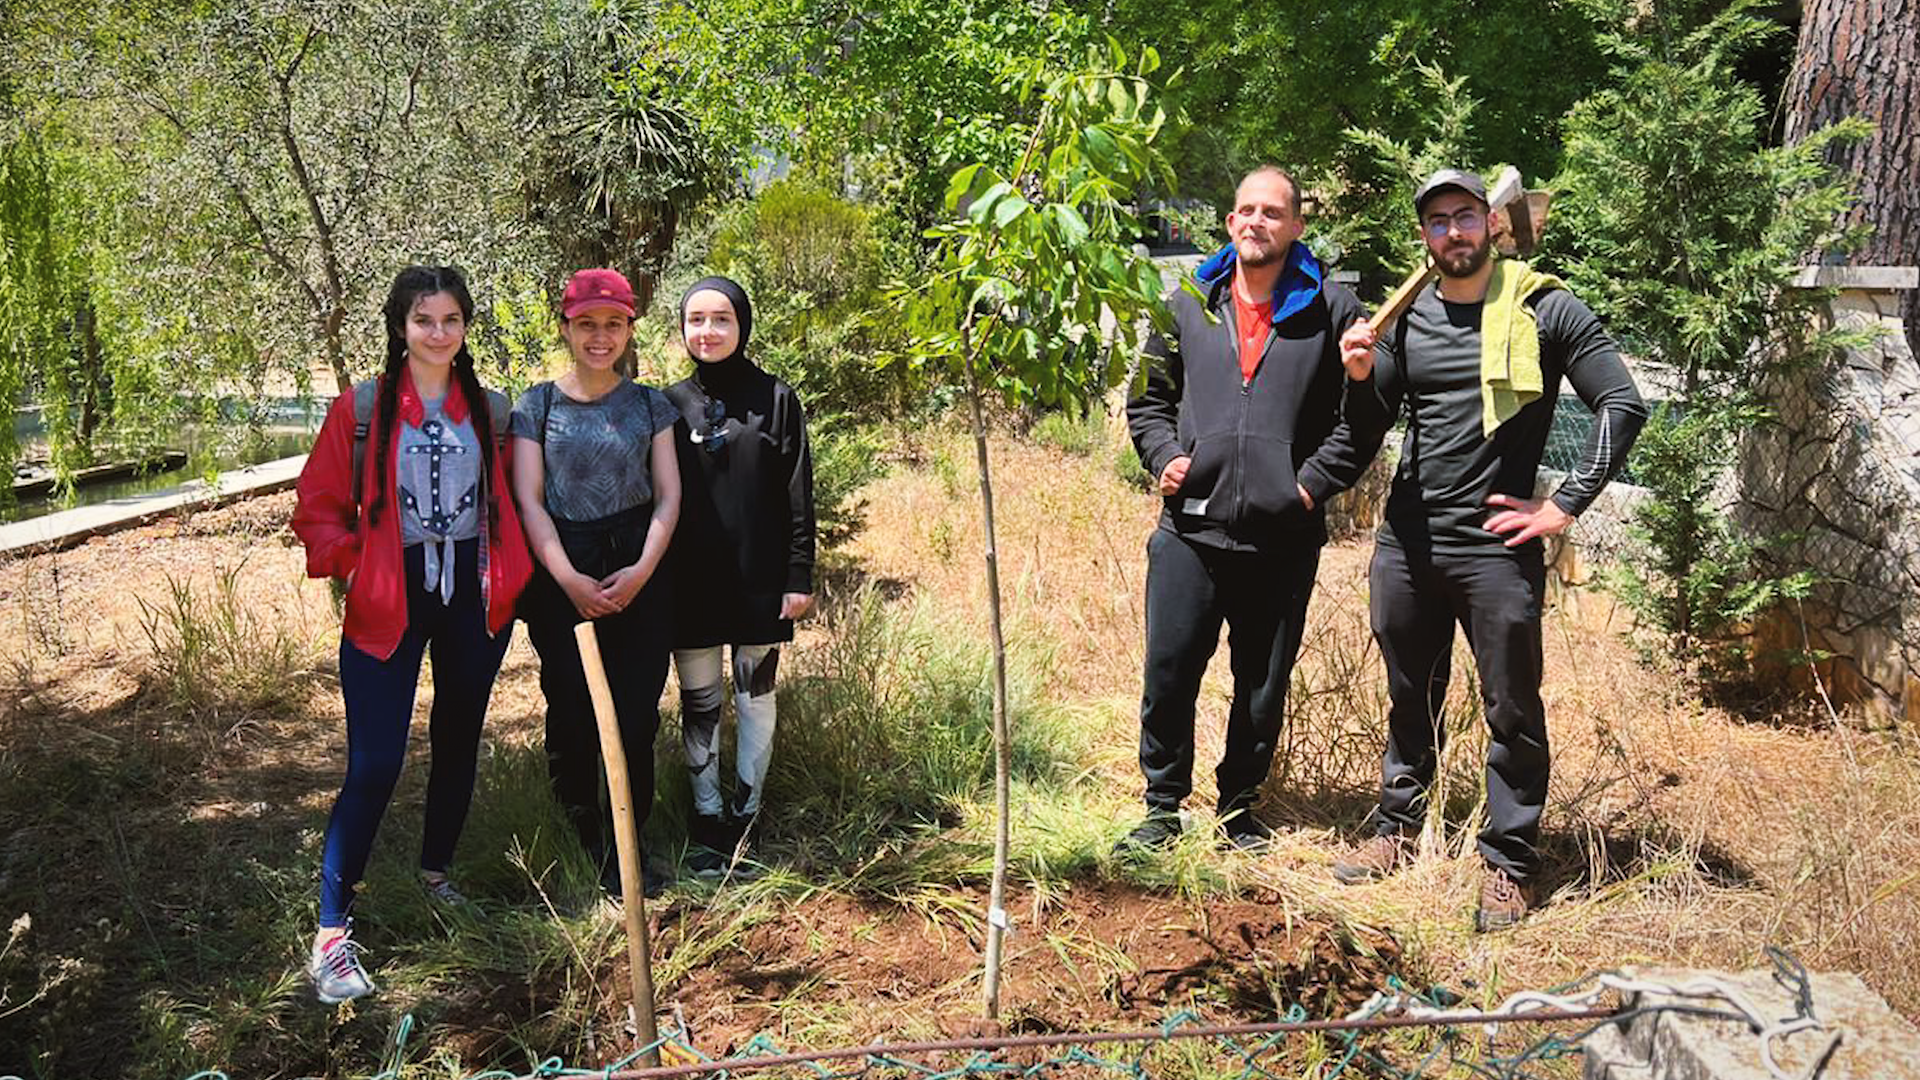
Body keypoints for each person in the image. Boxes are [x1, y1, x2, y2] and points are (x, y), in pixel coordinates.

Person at [1328, 169, 1649, 931]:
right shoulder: (1410, 313)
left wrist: (1564, 503)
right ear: (1424, 237)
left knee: (1511, 705)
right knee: (1410, 693)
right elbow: (1374, 420)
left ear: (1492, 224)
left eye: (1465, 217)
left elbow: (1622, 402)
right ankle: (1397, 829)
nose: (1452, 233)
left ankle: (1509, 861)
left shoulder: (1543, 308)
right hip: (1406, 541)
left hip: (1495, 549)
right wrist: (1361, 373)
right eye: (1437, 222)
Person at [291, 265, 533, 1004]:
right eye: (424, 320)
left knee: (460, 737)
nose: (438, 333)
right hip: (388, 596)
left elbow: (518, 503)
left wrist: (517, 579)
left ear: (466, 328)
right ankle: (332, 933)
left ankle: (436, 876)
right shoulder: (362, 409)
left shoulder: (491, 411)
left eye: (452, 320)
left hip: (473, 596)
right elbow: (317, 505)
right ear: (401, 326)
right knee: (375, 761)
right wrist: (356, 562)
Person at [1118, 166, 1375, 853]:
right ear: (1230, 223)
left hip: (1281, 535)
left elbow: (1367, 415)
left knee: (1261, 684)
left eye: (1272, 212)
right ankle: (1161, 809)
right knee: (1169, 672)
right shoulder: (1189, 302)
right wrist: (1163, 453)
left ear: (1295, 226)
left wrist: (1310, 484)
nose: (1256, 221)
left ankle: (1238, 811)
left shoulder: (1332, 309)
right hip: (1189, 530)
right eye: (1245, 211)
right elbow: (1146, 398)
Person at [510, 268, 681, 899]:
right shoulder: (536, 406)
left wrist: (640, 573)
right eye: (587, 325)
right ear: (566, 328)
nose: (600, 337)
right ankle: (580, 842)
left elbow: (668, 498)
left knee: (636, 716)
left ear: (630, 329)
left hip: (641, 570)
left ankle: (631, 847)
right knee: (574, 713)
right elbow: (530, 502)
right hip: (564, 573)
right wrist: (568, 580)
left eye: (613, 325)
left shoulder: (649, 405)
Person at [663, 275, 814, 879]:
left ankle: (747, 819)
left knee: (756, 701)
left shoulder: (777, 399)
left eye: (721, 318)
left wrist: (797, 575)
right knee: (700, 705)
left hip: (761, 584)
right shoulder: (665, 404)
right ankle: (706, 826)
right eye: (696, 319)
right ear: (682, 329)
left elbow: (798, 495)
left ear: (742, 325)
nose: (708, 330)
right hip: (688, 585)